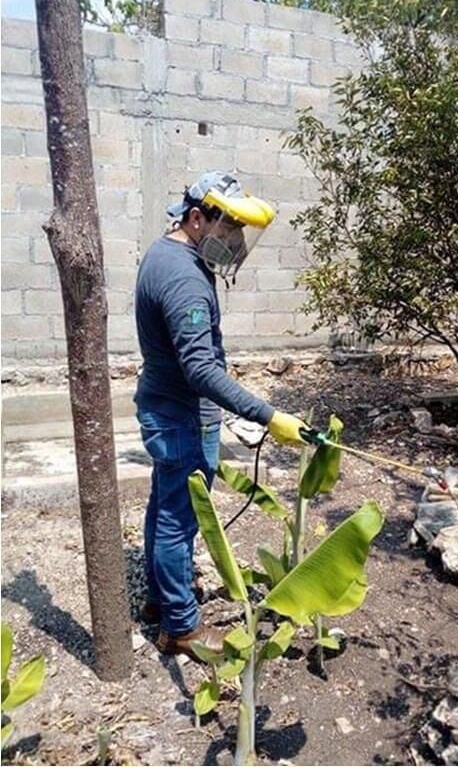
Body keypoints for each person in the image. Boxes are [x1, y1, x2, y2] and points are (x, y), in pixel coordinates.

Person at [134, 171, 305, 661]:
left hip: (171, 407)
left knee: (166, 507)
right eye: (228, 229)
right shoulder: (184, 276)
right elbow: (200, 369)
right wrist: (269, 415)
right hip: (180, 414)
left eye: (238, 232)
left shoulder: (171, 254)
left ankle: (160, 599)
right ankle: (181, 628)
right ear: (195, 217)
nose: (234, 241)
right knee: (177, 518)